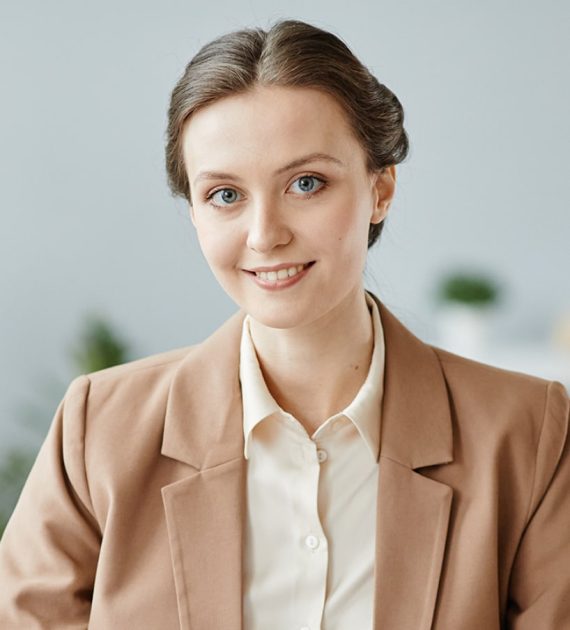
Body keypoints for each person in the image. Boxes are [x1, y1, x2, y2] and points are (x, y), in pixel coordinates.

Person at [0, 17, 568, 630]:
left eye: (306, 183)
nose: (265, 234)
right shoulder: (99, 431)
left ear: (380, 190)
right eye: (224, 195)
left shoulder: (528, 435)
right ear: (193, 209)